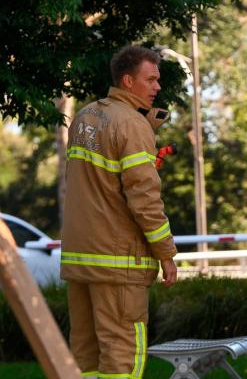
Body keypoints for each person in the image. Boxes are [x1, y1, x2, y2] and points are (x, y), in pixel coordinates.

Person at [60, 45, 178, 379]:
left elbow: (95, 186)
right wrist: (166, 253)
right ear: (128, 81)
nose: (157, 87)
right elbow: (145, 199)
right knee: (123, 357)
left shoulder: (84, 118)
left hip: (81, 259)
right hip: (118, 263)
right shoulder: (131, 125)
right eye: (150, 79)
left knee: (86, 359)